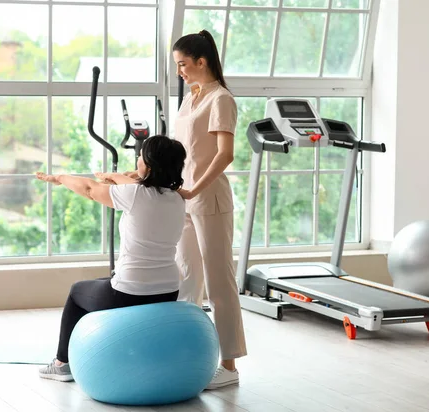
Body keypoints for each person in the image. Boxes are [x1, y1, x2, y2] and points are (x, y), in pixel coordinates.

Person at [35, 134, 187, 382]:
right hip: (168, 290)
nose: (137, 158)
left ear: (148, 164)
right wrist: (112, 176)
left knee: (77, 292)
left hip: (130, 292)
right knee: (99, 282)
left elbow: (89, 189)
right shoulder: (177, 199)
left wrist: (60, 178)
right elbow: (133, 184)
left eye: (140, 156)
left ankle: (62, 364)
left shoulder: (135, 195)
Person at [172, 29, 248, 389]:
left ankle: (229, 366)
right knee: (186, 278)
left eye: (183, 64)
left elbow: (225, 155)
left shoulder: (221, 99)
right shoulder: (191, 97)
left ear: (201, 62)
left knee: (220, 283)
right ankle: (187, 356)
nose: (180, 71)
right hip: (184, 197)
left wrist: (193, 190)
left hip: (209, 199)